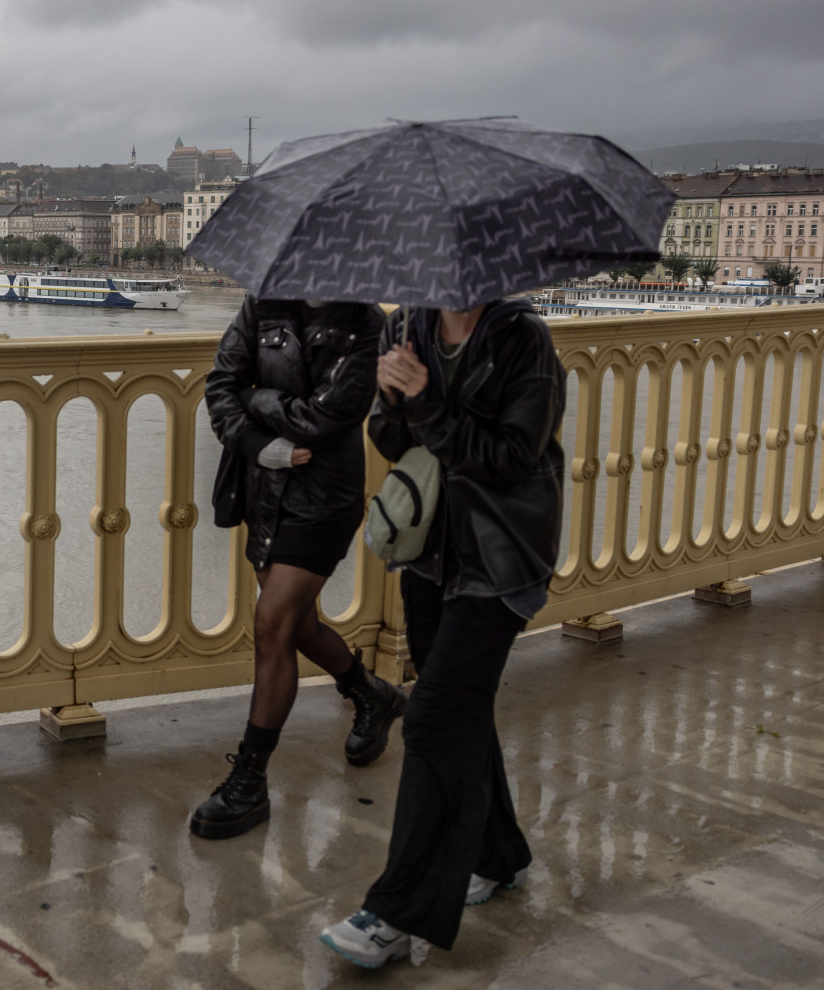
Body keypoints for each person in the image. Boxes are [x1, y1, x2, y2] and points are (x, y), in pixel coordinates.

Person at [320, 296, 565, 967]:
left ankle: (399, 914)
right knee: (456, 704)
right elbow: (390, 440)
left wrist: (424, 400)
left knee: (430, 720)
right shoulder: (408, 328)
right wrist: (392, 401)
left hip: (502, 554)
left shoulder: (524, 342)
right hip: (431, 548)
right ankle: (500, 852)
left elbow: (512, 457)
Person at [193, 295, 406, 840]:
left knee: (271, 625)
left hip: (323, 498)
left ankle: (251, 779)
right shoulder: (261, 305)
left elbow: (326, 417)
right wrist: (258, 444)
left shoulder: (366, 323)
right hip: (265, 489)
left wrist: (256, 395)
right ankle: (369, 693)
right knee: (296, 624)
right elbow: (220, 386)